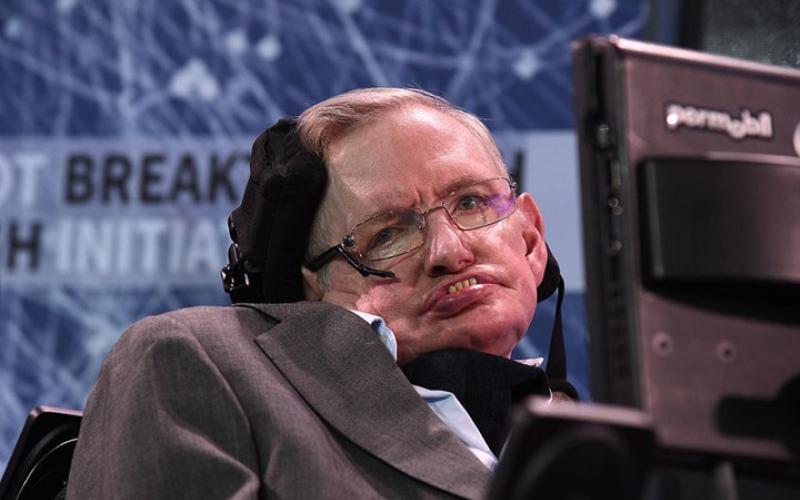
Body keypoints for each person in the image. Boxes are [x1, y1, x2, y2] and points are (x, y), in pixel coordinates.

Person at [66, 88, 574, 499]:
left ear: (531, 240)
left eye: (471, 202)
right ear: (315, 287)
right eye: (387, 234)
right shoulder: (198, 360)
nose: (448, 251)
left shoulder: (593, 439)